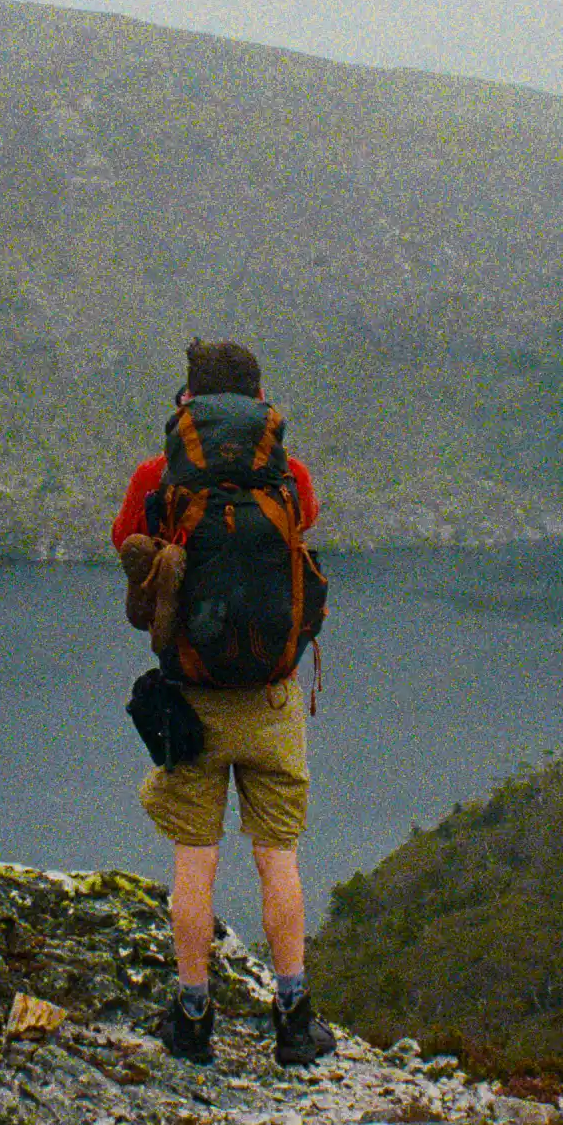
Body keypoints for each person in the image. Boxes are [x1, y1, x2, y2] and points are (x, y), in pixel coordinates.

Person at [113, 337, 335, 1069]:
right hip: (272, 700)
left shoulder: (161, 474)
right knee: (279, 859)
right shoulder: (287, 473)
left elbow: (124, 540)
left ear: (190, 400)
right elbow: (306, 524)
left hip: (195, 701)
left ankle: (193, 1016)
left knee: (194, 862)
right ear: (257, 400)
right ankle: (294, 1019)